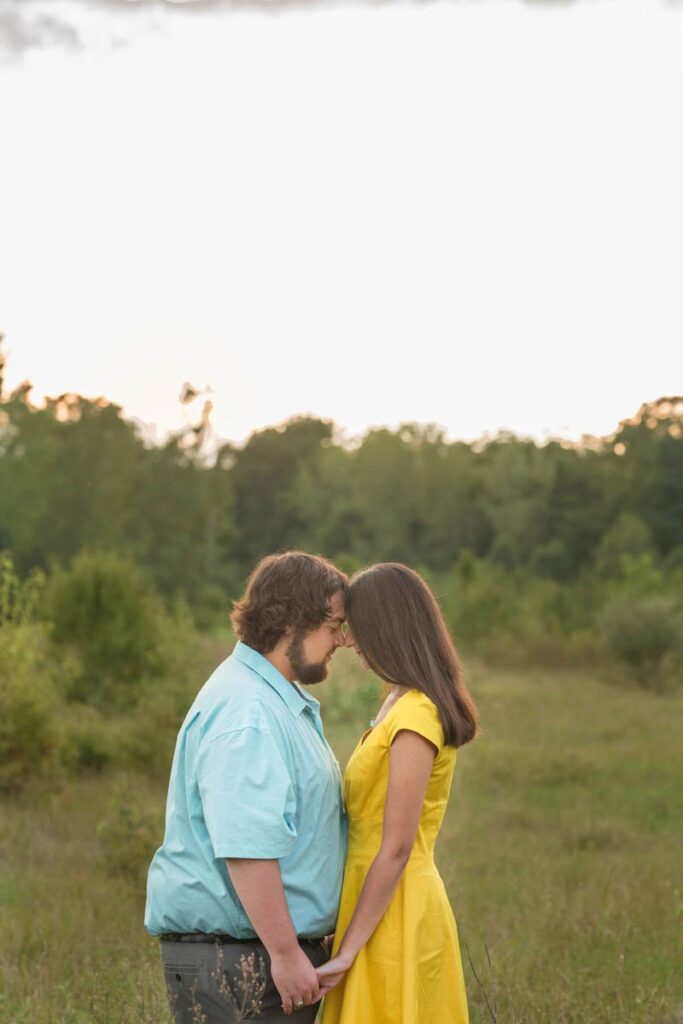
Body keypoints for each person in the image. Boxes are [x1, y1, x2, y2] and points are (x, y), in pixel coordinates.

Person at [145, 551, 349, 1023]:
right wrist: (284, 952)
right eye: (333, 624)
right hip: (240, 961)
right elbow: (246, 846)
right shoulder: (248, 712)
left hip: (256, 954)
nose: (341, 639)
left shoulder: (270, 698)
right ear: (290, 623)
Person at [316, 562, 479, 1024]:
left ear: (388, 630)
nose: (347, 641)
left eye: (356, 628)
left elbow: (397, 847)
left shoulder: (417, 715)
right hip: (372, 904)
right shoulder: (397, 701)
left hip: (398, 910)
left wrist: (349, 950)